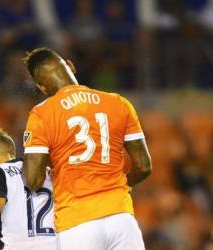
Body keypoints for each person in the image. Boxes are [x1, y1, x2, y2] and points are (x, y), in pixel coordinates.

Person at [22, 48, 152, 250]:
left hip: (77, 223)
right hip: (122, 219)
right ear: (70, 65)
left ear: (41, 87)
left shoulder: (41, 114)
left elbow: (33, 181)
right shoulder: (118, 103)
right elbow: (144, 166)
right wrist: (121, 185)